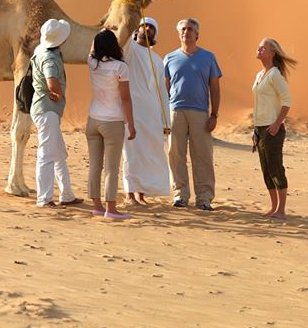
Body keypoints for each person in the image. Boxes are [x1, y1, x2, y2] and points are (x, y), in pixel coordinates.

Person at [164, 17, 222, 211]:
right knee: (176, 155)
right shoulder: (169, 58)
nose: (185, 32)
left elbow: (214, 86)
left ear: (197, 34)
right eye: (182, 29)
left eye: (189, 29)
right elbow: (165, 87)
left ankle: (204, 197)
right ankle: (180, 194)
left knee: (203, 156)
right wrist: (165, 114)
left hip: (200, 113)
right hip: (176, 112)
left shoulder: (208, 57)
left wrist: (214, 115)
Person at [31, 19, 82, 208]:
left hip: (45, 109)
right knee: (46, 154)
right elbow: (51, 79)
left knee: (59, 153)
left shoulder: (40, 50)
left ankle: (66, 194)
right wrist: (57, 92)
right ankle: (43, 199)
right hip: (47, 109)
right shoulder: (50, 58)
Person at [86, 29, 136, 219]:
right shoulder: (120, 67)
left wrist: (99, 34)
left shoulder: (92, 63)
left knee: (95, 165)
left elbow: (91, 50)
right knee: (112, 167)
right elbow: (125, 98)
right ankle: (111, 208)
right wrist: (131, 124)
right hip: (112, 120)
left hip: (93, 119)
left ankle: (97, 206)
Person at [122, 17, 171, 206]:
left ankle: (141, 194)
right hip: (131, 110)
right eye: (144, 25)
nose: (148, 28)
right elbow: (123, 37)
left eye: (152, 27)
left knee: (148, 153)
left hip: (151, 114)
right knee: (131, 152)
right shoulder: (130, 50)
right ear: (136, 30)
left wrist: (165, 121)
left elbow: (162, 92)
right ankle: (129, 193)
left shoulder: (158, 60)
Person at [252, 38, 297, 219]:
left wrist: (277, 124)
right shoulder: (259, 75)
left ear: (272, 53)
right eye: (259, 47)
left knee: (276, 168)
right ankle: (273, 207)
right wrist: (255, 130)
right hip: (260, 128)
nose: (259, 49)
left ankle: (281, 210)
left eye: (263, 48)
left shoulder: (275, 75)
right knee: (266, 169)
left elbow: (287, 101)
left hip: (272, 129)